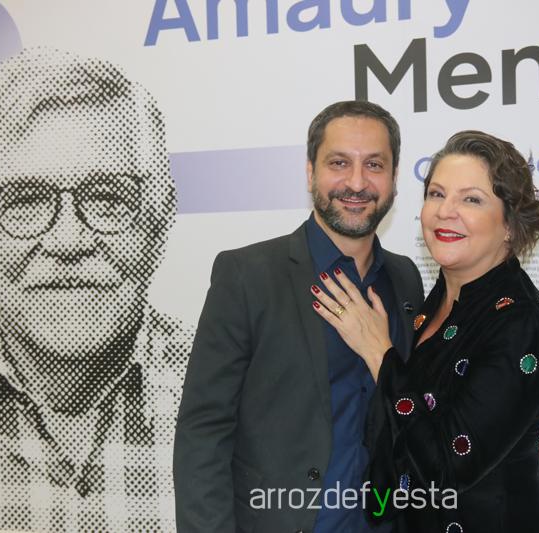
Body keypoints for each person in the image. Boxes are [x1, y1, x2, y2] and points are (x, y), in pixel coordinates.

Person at [0, 47, 191, 532]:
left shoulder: (243, 396)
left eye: (108, 198)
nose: (68, 241)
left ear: (160, 221)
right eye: (24, 201)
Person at [174, 100, 424, 532]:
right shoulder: (247, 276)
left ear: (395, 178)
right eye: (339, 163)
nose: (357, 182)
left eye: (374, 165)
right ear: (310, 173)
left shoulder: (404, 279)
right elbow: (203, 430)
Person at [311, 130, 539, 532]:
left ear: (510, 224)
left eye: (471, 199)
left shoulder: (522, 323)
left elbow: (446, 467)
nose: (446, 211)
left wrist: (379, 353)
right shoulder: (435, 301)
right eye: (436, 194)